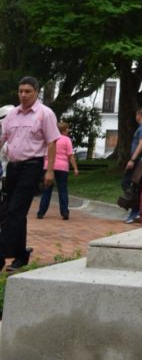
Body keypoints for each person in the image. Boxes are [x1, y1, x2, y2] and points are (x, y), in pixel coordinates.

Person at [0, 76, 60, 271]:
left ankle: (1, 255)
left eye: (28, 91)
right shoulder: (12, 115)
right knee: (15, 211)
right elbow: (3, 138)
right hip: (13, 167)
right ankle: (20, 255)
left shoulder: (45, 114)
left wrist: (50, 170)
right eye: (21, 91)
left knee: (14, 211)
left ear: (36, 92)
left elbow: (52, 142)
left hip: (32, 167)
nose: (23, 95)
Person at [37, 120, 79, 220]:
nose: (68, 130)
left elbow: (42, 153)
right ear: (63, 130)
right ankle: (64, 212)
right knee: (63, 189)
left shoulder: (49, 139)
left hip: (48, 166)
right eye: (67, 129)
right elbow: (70, 155)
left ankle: (41, 212)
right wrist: (75, 168)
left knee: (47, 190)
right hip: (62, 167)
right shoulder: (67, 140)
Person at [121, 107, 142, 223]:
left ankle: (136, 210)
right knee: (135, 186)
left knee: (128, 184)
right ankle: (136, 210)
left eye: (136, 115)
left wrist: (132, 159)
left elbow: (141, 143)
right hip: (139, 160)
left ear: (139, 115)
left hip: (138, 161)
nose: (135, 117)